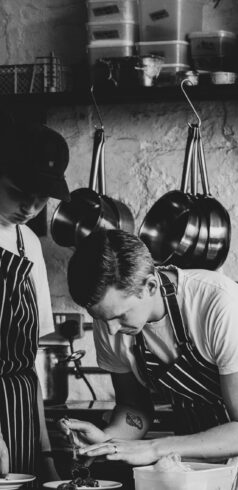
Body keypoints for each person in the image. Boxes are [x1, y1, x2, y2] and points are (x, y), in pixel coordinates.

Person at [61, 229, 238, 490]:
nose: (110, 331)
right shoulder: (111, 321)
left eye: (121, 316)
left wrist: (154, 448)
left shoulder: (219, 304)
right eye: (101, 319)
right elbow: (133, 407)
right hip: (195, 444)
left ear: (151, 285)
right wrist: (107, 440)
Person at [0, 118, 71, 481]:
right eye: (18, 191)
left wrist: (44, 454)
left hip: (22, 421)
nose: (29, 207)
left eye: (41, 197)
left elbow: (29, 365)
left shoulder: (29, 244)